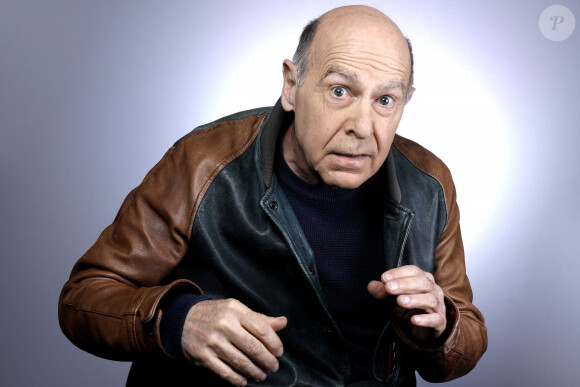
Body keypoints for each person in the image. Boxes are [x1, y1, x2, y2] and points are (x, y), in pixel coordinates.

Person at [59, 5, 487, 387]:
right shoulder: (203, 163)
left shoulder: (429, 184)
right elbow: (83, 298)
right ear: (291, 84)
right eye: (340, 91)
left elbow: (465, 339)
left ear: (405, 103)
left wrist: (441, 326)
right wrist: (178, 319)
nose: (363, 125)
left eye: (385, 100)